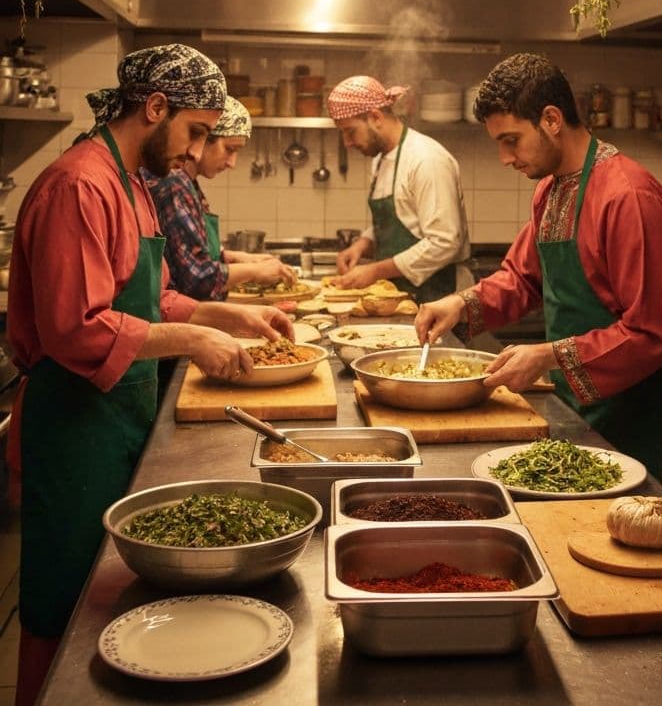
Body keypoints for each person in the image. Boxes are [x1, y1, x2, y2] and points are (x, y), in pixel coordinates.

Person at [6, 44, 295, 706]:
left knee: (113, 598)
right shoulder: (82, 184)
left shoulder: (132, 184)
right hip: (76, 428)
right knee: (64, 604)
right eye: (196, 131)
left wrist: (231, 314)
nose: (197, 153)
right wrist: (193, 338)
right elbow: (76, 327)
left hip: (121, 412)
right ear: (155, 107)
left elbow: (153, 300)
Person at [415, 53, 662, 486]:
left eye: (512, 140)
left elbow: (654, 332)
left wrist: (548, 355)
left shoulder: (628, 197)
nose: (505, 157)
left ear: (551, 119)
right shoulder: (550, 189)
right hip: (576, 412)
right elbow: (522, 278)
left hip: (634, 422)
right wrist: (460, 303)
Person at [327, 75, 470, 303]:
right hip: (399, 297)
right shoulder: (381, 160)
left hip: (438, 296)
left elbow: (444, 243)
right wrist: (363, 244)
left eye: (350, 131)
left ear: (375, 117)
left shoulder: (426, 160)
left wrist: (374, 271)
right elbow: (403, 218)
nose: (347, 142)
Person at [144, 95, 296, 299]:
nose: (232, 163)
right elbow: (197, 280)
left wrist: (235, 257)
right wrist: (254, 272)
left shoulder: (189, 183)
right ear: (203, 139)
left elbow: (189, 253)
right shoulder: (174, 184)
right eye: (229, 149)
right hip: (183, 318)